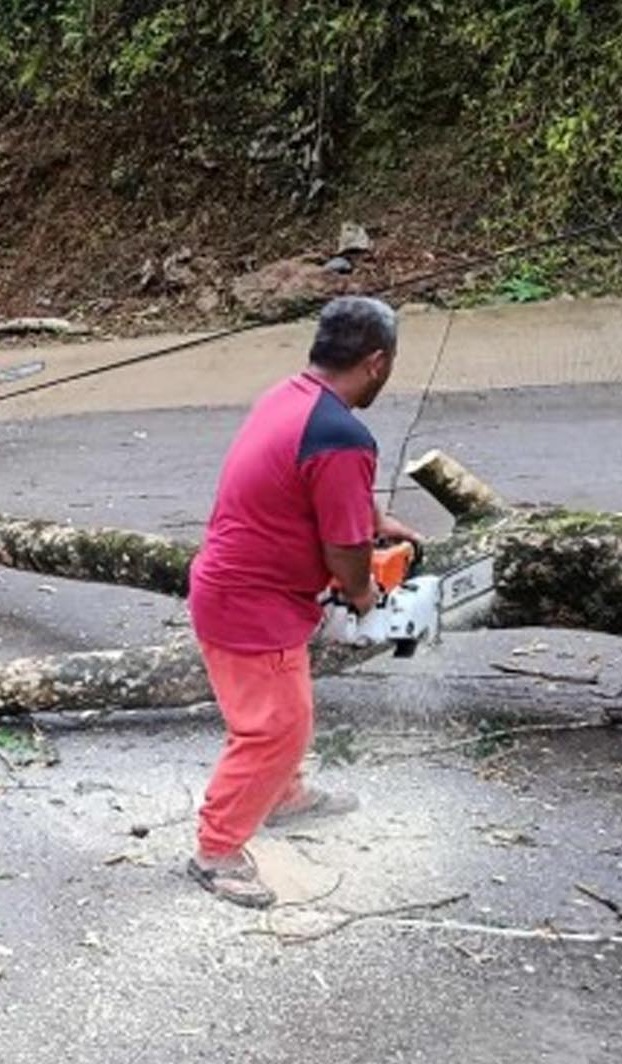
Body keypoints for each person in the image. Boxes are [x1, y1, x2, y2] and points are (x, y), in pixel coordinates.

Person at [184, 296, 421, 908]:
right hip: (250, 601)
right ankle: (216, 850)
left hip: (242, 589)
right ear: (377, 363)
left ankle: (282, 795)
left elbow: (328, 490)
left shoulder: (291, 397)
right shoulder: (341, 435)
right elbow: (344, 548)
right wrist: (366, 596)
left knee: (280, 710)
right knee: (275, 728)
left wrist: (377, 520)